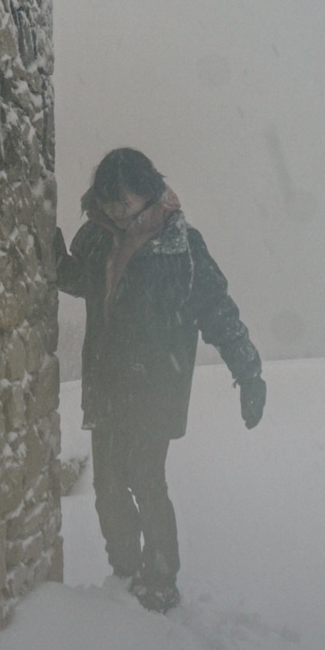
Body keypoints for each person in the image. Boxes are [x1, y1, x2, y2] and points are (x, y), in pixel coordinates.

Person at [55, 147, 266, 613]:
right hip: (108, 382)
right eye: (109, 201)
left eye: (124, 202)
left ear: (149, 194)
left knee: (146, 479)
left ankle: (161, 578)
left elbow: (217, 310)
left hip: (155, 386)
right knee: (109, 485)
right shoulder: (97, 238)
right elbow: (78, 278)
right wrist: (49, 250)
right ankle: (126, 570)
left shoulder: (182, 247)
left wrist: (248, 373)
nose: (116, 210)